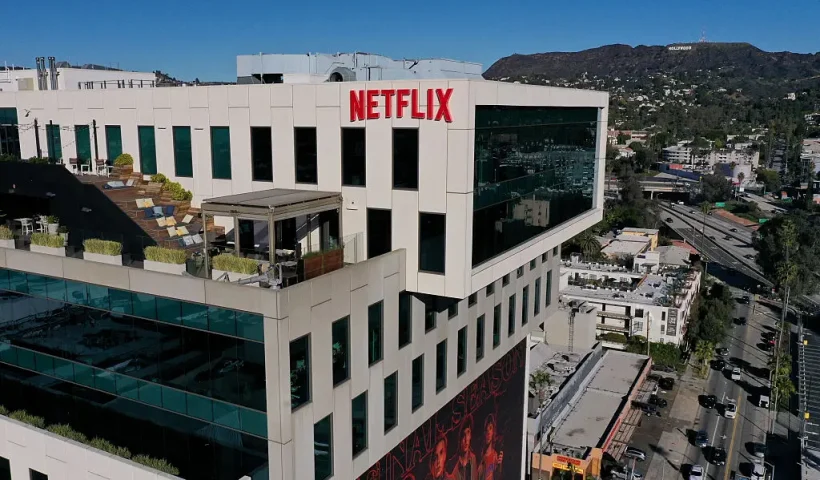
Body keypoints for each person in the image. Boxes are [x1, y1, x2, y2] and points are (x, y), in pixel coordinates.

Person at [450, 415, 478, 480]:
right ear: (459, 439)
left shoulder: (473, 458)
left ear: (470, 435)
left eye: (468, 432)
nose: (466, 439)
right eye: (463, 435)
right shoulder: (453, 464)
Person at [479, 414, 503, 480]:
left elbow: (498, 475)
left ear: (493, 432)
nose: (488, 432)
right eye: (486, 430)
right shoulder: (481, 455)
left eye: (490, 428)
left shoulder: (495, 455)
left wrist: (500, 465)